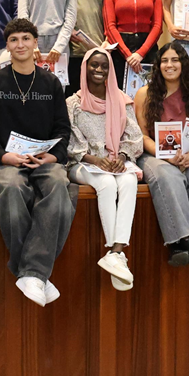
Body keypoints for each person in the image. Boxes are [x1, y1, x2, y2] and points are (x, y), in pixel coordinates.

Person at [0, 18, 74, 306]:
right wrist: (4, 156)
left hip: (44, 160)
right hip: (7, 162)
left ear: (36, 43)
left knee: (61, 186)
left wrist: (52, 155)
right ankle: (35, 273)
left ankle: (29, 272)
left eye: (25, 38)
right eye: (14, 40)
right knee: (11, 190)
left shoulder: (51, 82)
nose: (20, 44)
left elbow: (62, 129)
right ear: (7, 46)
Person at [134, 43, 189, 275]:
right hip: (154, 154)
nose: (169, 65)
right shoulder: (144, 93)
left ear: (183, 64)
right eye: (164, 61)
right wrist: (167, 156)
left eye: (175, 60)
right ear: (158, 65)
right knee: (167, 176)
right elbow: (140, 135)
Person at [68, 48, 144, 289]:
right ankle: (117, 254)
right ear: (85, 68)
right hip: (83, 164)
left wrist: (122, 155)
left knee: (130, 181)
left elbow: (134, 136)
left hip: (115, 161)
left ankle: (116, 252)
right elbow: (69, 144)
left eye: (104, 66)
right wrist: (95, 159)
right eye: (94, 65)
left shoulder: (121, 99)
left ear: (111, 70)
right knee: (108, 184)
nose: (99, 70)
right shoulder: (74, 103)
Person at [103, 0, 163, 83]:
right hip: (121, 48)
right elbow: (110, 27)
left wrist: (140, 53)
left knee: (150, 91)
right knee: (120, 92)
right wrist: (128, 54)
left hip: (147, 47)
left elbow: (157, 26)